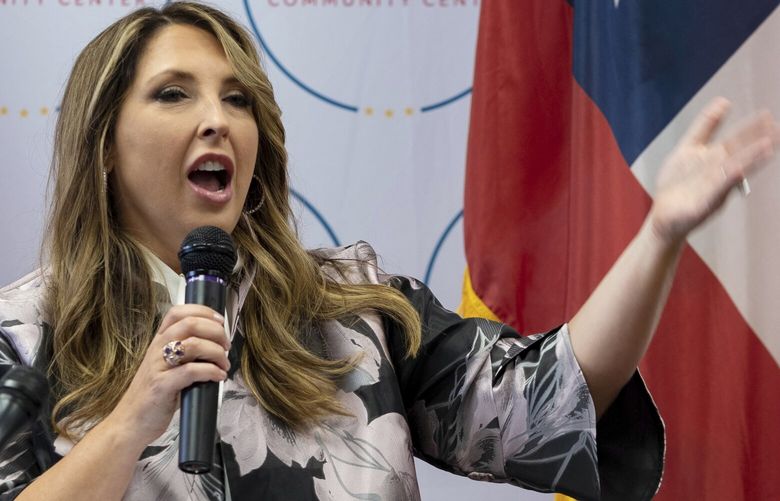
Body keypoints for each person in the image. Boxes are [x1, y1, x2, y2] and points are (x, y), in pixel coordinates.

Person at [0, 2, 776, 500]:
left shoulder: (358, 310)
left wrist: (659, 235)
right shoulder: (22, 335)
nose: (217, 120)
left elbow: (551, 401)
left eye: (237, 98)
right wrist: (133, 418)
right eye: (174, 93)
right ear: (103, 142)